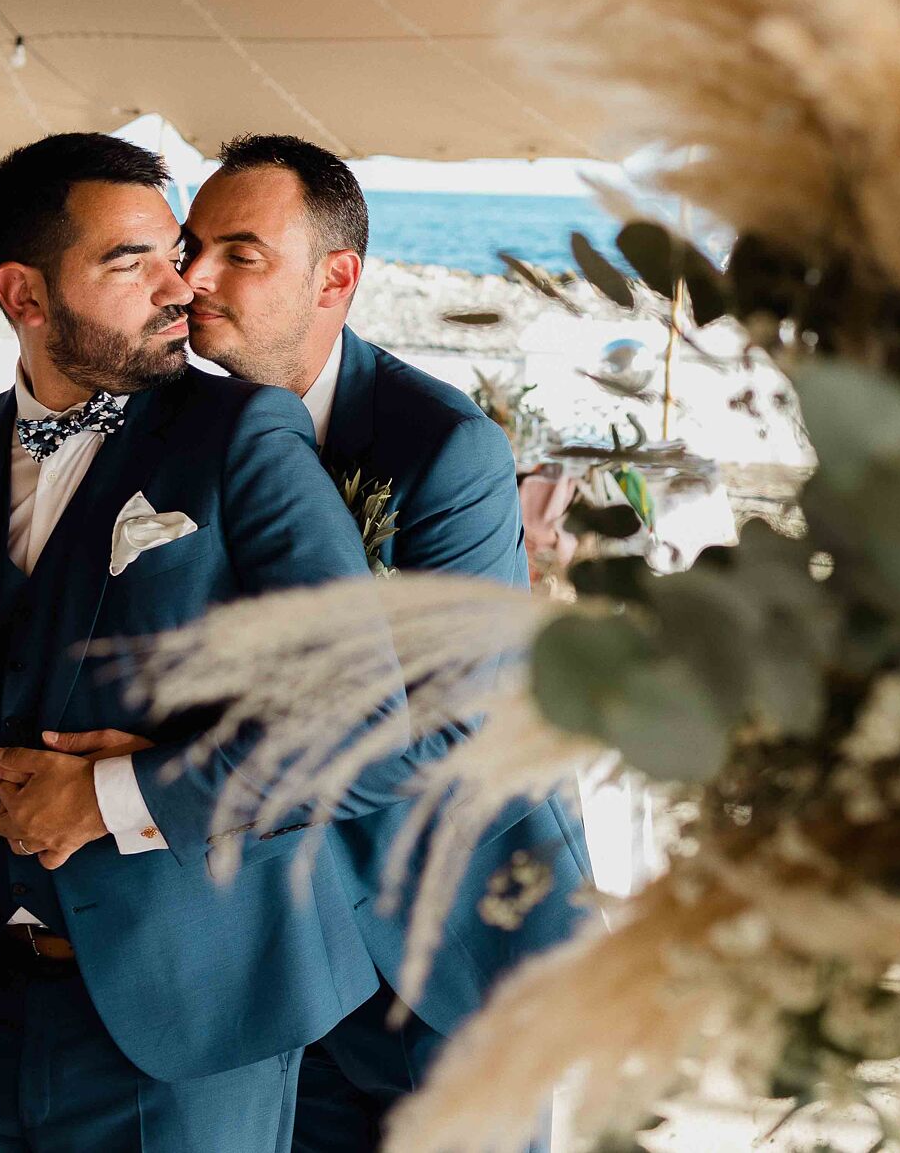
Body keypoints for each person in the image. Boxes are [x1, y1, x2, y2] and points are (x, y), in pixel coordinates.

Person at [0, 132, 404, 1152]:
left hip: (193, 1005)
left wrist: (120, 793)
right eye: (133, 262)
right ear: (24, 295)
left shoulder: (245, 436)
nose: (180, 287)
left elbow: (363, 713)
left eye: (177, 252)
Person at [179, 133, 593, 1151]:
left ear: (337, 277)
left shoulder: (437, 446)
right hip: (265, 957)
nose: (192, 275)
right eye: (190, 245)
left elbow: (450, 729)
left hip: (438, 940)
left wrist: (154, 787)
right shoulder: (164, 430)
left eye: (239, 251)